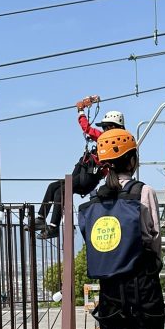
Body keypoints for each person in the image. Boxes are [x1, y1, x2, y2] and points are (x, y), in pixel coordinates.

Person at [78, 129, 165, 329]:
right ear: (132, 159)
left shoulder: (93, 199)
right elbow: (153, 236)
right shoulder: (144, 192)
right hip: (142, 279)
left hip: (110, 283)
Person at [34, 98, 126, 239]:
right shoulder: (115, 141)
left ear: (112, 127)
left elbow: (87, 129)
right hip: (87, 174)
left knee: (61, 191)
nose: (104, 130)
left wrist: (80, 110)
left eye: (106, 127)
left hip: (89, 177)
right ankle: (42, 219)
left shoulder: (106, 139)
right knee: (54, 188)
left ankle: (51, 226)